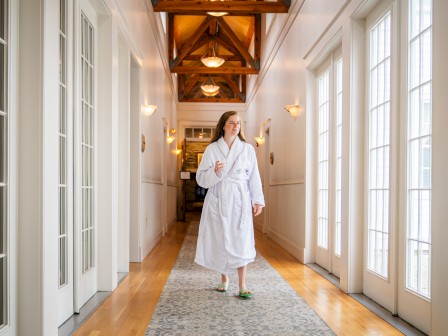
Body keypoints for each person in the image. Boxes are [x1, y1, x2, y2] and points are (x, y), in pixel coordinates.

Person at [194, 111, 265, 298]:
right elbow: (201, 179)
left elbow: (254, 177)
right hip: (218, 196)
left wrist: (257, 200)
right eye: (232, 123)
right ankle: (224, 279)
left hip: (240, 198)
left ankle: (242, 285)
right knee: (221, 237)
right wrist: (215, 173)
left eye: (238, 123)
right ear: (223, 125)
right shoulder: (212, 149)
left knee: (241, 238)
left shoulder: (247, 149)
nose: (236, 126)